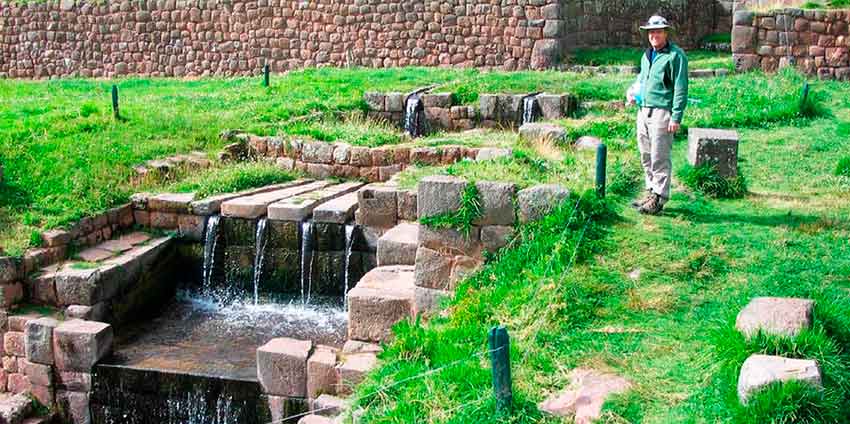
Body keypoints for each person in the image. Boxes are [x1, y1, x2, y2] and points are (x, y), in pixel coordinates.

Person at [626, 15, 688, 215]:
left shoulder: (675, 56)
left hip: (662, 113)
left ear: (665, 33)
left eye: (658, 31)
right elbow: (641, 80)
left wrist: (676, 117)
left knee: (659, 156)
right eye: (651, 32)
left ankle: (660, 198)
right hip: (643, 111)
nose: (654, 35)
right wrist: (632, 92)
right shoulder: (646, 56)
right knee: (646, 154)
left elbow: (680, 88)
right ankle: (651, 191)